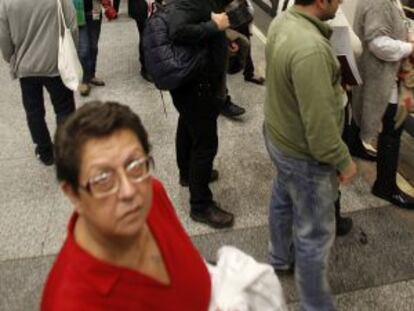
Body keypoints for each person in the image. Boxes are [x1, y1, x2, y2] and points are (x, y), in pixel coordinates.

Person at [41, 101, 211, 310]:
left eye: (135, 165)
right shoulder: (71, 302)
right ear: (73, 194)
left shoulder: (153, 193)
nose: (129, 191)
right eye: (103, 179)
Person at [264, 0, 357, 310]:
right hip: (304, 155)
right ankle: (316, 305)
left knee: (282, 196)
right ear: (320, 2)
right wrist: (342, 160)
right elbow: (319, 130)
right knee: (314, 236)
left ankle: (279, 257)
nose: (341, 2)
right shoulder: (312, 50)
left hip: (278, 135)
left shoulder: (283, 21)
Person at [168, 0, 235, 228]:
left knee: (187, 126)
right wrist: (214, 28)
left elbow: (199, 22)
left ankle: (187, 173)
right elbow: (177, 30)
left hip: (193, 82)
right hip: (195, 85)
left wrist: (222, 40)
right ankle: (200, 206)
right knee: (205, 144)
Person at [352, 0, 414, 210]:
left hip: (378, 72)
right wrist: (410, 47)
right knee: (393, 127)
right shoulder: (379, 1)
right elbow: (378, 43)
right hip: (381, 75)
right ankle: (385, 186)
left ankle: (355, 145)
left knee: (360, 110)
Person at [0, 0, 77, 166]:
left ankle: (44, 151)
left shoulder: (6, 3)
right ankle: (66, 151)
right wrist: (73, 53)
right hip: (57, 64)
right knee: (64, 109)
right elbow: (72, 26)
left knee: (34, 111)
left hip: (26, 67)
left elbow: (4, 38)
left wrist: (10, 58)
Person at [74, 0, 117, 96]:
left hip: (94, 12)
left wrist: (107, 6)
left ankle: (91, 75)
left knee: (93, 47)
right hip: (77, 14)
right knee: (84, 50)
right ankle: (85, 81)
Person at [128, 0, 154, 82]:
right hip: (141, 8)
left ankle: (151, 64)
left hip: (154, 7)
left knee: (153, 37)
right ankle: (145, 68)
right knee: (145, 36)